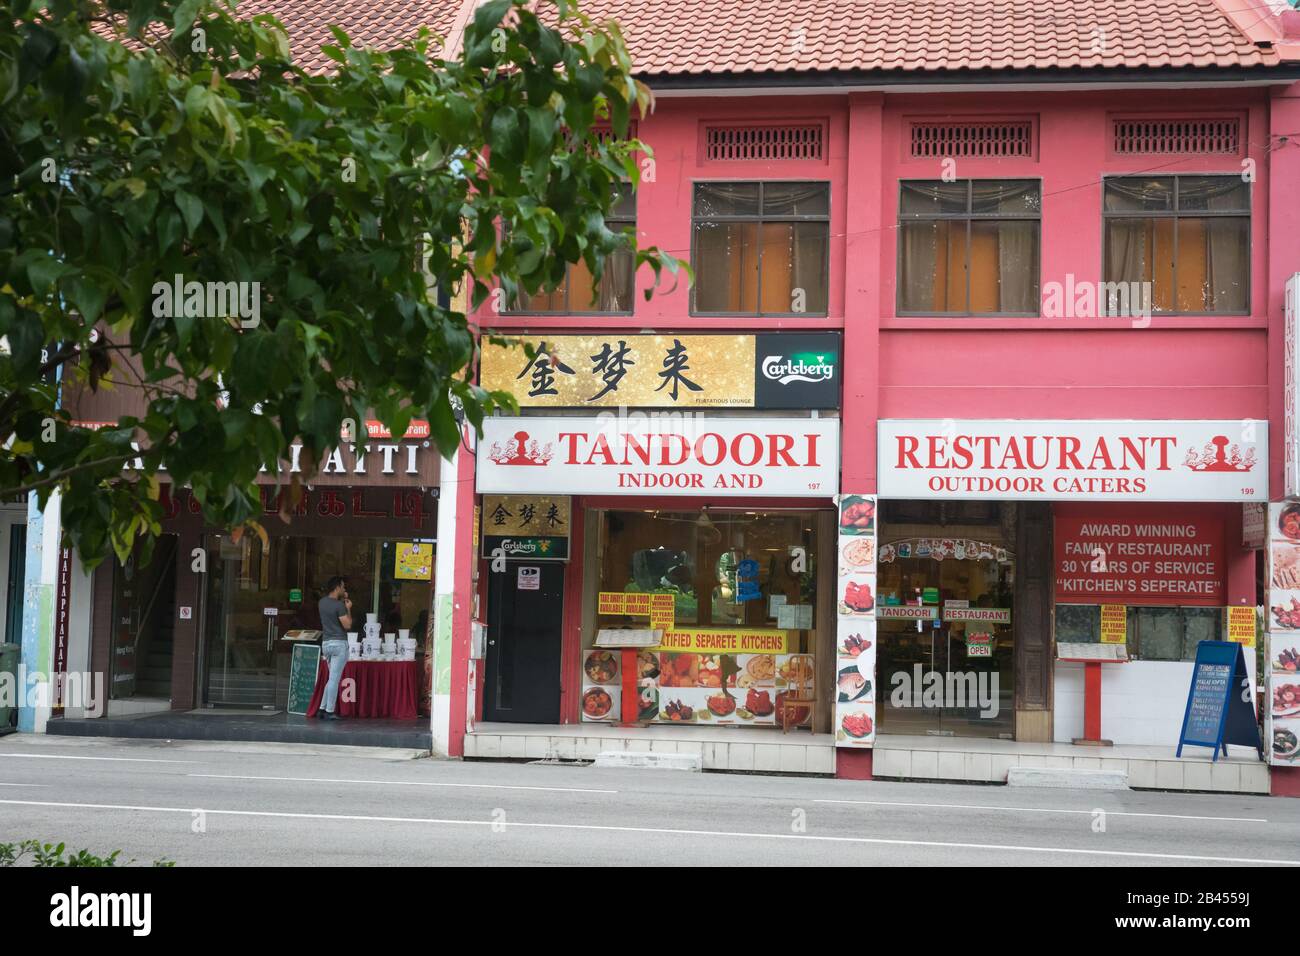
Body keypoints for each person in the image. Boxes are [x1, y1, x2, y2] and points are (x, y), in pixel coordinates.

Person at [317, 576, 352, 721]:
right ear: (337, 587)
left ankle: (322, 708)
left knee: (332, 678)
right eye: (343, 587)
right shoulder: (339, 606)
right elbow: (347, 625)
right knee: (334, 679)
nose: (344, 589)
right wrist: (348, 609)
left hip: (326, 643)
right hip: (339, 644)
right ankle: (330, 711)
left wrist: (343, 600)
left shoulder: (321, 602)